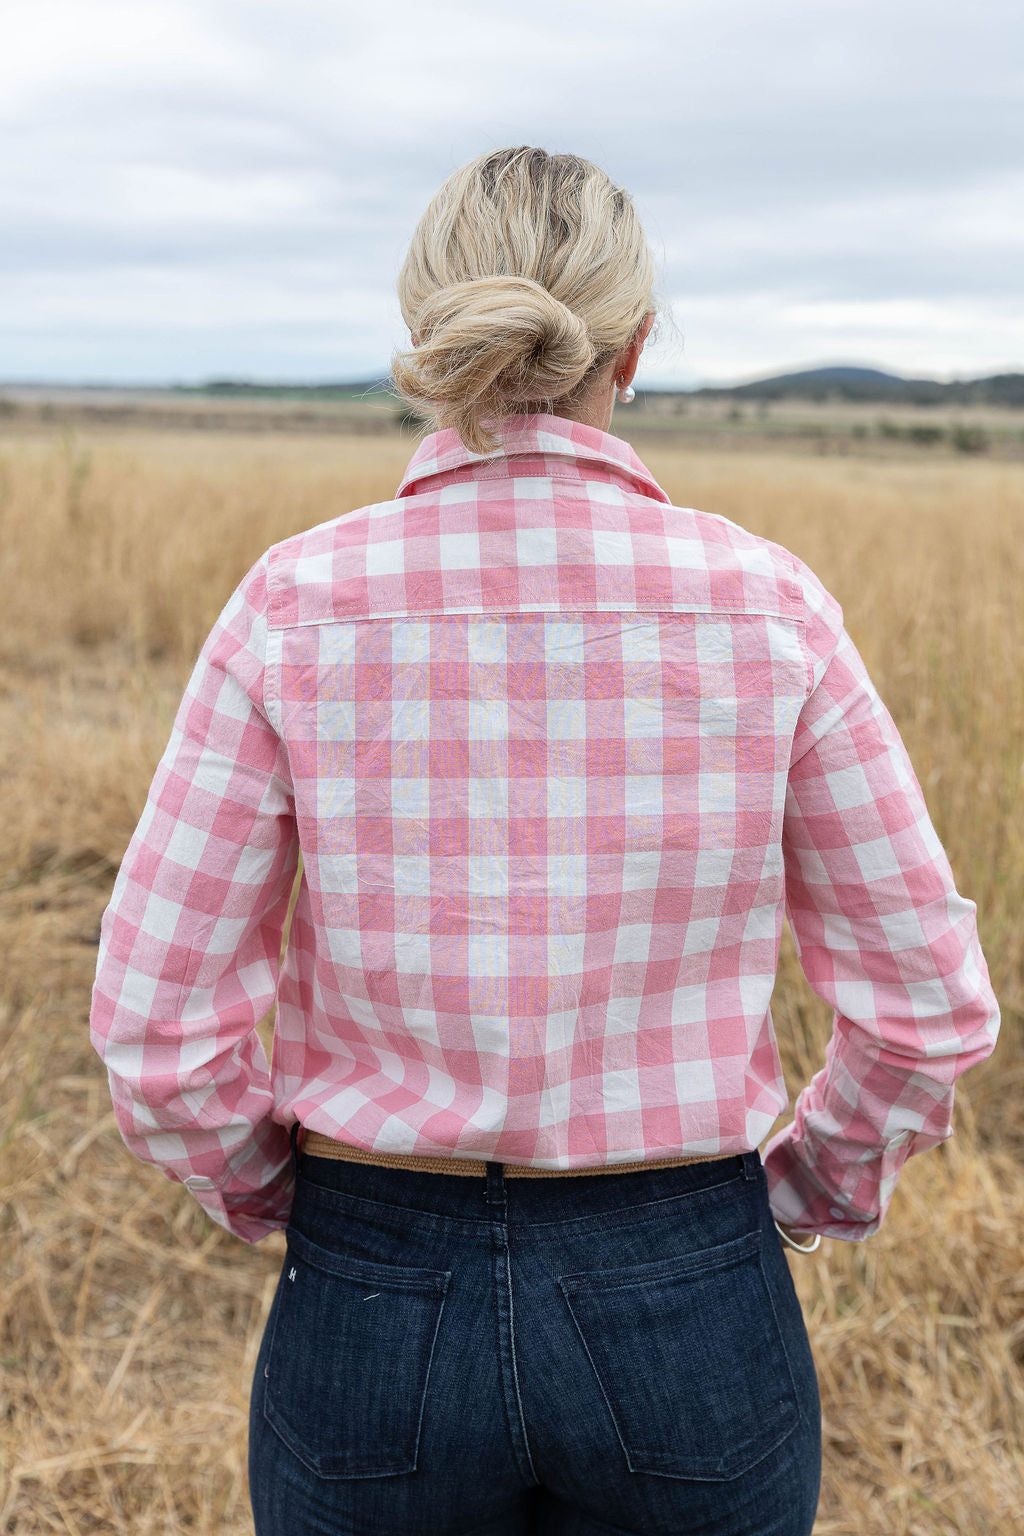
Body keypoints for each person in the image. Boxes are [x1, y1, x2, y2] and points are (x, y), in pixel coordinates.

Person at [89, 146, 1001, 1536]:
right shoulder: (769, 608)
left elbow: (158, 1028)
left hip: (371, 1276)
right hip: (689, 1274)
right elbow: (928, 1014)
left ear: (429, 336)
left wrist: (294, 1195)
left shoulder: (295, 602)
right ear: (631, 348)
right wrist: (798, 1196)